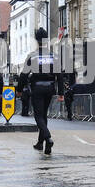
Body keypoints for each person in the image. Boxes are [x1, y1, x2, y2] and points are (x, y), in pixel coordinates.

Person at [22, 26, 62, 154]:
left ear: (36, 40)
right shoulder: (54, 56)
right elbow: (60, 75)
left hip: (37, 88)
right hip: (50, 88)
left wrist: (18, 89)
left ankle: (48, 138)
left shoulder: (32, 56)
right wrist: (61, 93)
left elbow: (24, 74)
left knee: (38, 116)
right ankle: (40, 143)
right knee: (43, 115)